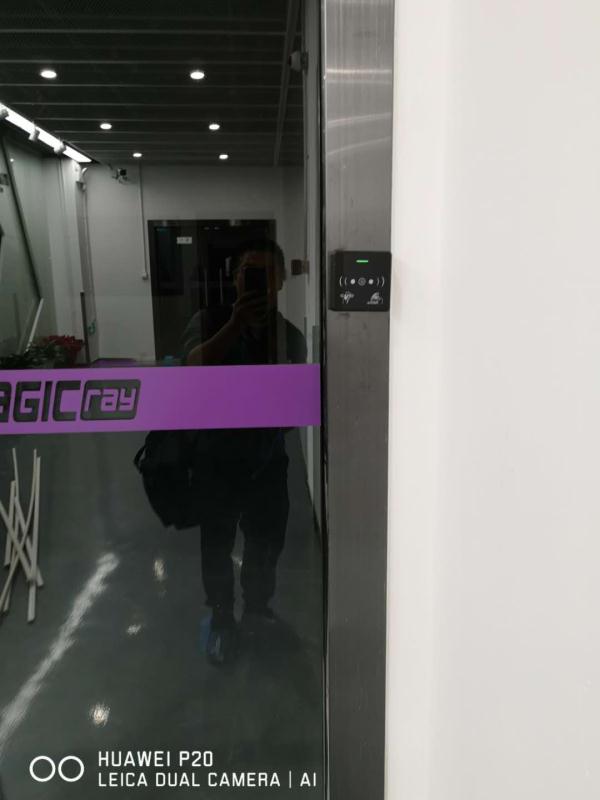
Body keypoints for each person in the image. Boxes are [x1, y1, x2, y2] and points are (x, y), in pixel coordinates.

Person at [182, 239, 306, 665]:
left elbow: (294, 410)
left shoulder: (289, 336)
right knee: (216, 546)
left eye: (267, 274)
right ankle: (221, 617)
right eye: (248, 273)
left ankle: (256, 608)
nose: (257, 282)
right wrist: (234, 326)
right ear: (234, 279)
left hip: (266, 462)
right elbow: (190, 370)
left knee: (265, 544)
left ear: (281, 282)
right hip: (215, 461)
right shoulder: (209, 321)